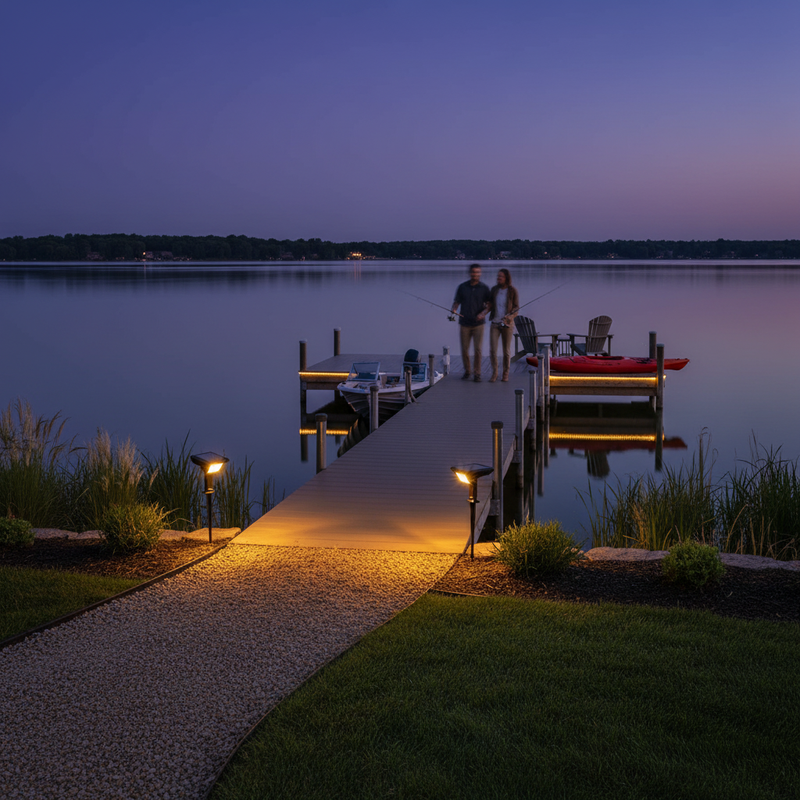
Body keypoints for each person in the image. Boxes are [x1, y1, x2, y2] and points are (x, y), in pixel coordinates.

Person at [451, 263, 492, 381]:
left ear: (480, 274)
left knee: (478, 350)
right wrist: (454, 309)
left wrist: (483, 314)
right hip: (464, 322)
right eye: (473, 272)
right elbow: (456, 301)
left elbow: (489, 305)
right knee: (464, 349)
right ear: (470, 273)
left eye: (477, 272)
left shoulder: (484, 288)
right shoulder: (462, 287)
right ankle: (467, 371)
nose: (475, 274)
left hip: (479, 324)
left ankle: (477, 374)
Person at [488, 268, 520, 382]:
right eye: (498, 276)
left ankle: (505, 373)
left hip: (507, 324)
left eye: (501, 276)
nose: (498, 278)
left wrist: (510, 317)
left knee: (506, 351)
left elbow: (516, 308)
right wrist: (482, 312)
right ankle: (495, 372)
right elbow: (489, 305)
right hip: (495, 323)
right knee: (492, 350)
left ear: (506, 278)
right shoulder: (494, 290)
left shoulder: (512, 291)